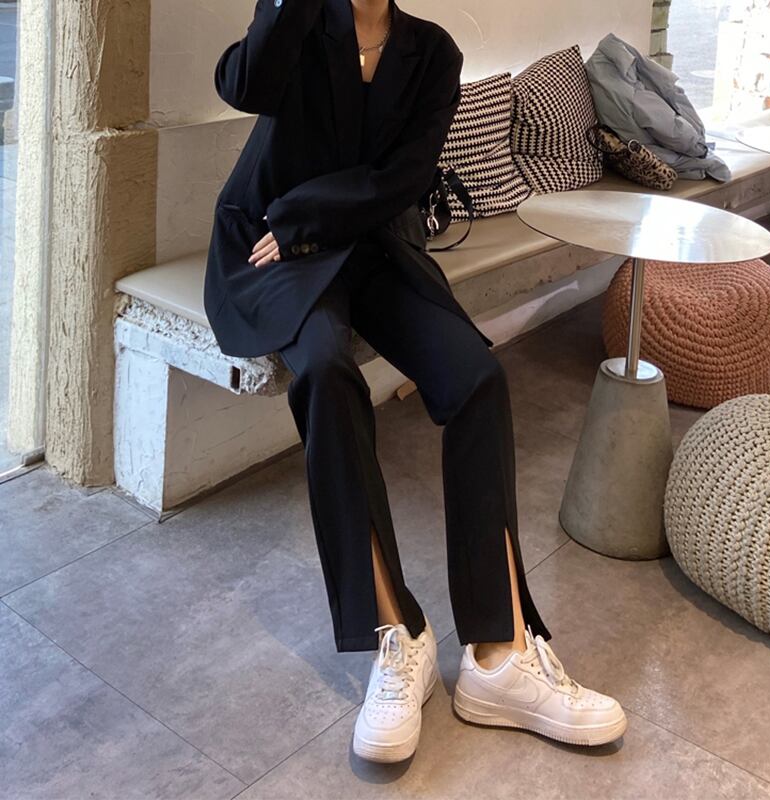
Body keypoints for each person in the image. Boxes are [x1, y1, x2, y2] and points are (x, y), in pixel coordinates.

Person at [206, 0, 628, 764]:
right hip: (270, 244)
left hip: (370, 243)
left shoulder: (433, 52)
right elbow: (245, 86)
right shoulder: (301, 22)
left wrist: (310, 215)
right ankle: (395, 633)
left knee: (477, 378)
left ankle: (499, 656)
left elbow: (402, 178)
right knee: (325, 372)